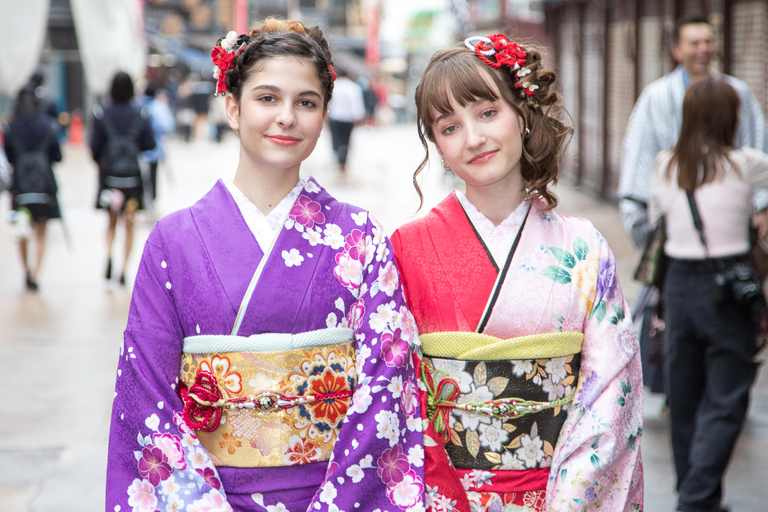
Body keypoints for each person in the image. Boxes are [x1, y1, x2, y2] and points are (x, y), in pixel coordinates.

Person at [105, 19, 424, 512]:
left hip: (334, 490)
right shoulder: (172, 242)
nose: (287, 118)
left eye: (307, 102)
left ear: (324, 115)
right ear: (232, 107)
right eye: (267, 98)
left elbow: (387, 380)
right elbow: (147, 393)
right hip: (208, 495)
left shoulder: (360, 237)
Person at [392, 34, 644, 512]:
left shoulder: (583, 246)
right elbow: (393, 392)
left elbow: (611, 391)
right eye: (448, 127)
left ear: (522, 112)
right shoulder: (405, 248)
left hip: (559, 493)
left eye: (487, 112)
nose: (473, 138)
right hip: (441, 495)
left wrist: (569, 501)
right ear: (436, 144)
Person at [619, 15, 768, 395]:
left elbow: (757, 148)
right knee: (675, 322)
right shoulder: (657, 97)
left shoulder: (737, 92)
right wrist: (647, 230)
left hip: (731, 238)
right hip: (679, 236)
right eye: (693, 42)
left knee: (727, 319)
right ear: (677, 49)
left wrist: (762, 206)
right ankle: (683, 389)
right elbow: (640, 162)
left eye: (708, 41)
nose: (702, 49)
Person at [650, 78, 767, 512]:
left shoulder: (666, 164)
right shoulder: (745, 163)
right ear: (731, 118)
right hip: (728, 286)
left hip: (679, 284)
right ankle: (696, 502)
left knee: (685, 400)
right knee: (727, 398)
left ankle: (697, 496)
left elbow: (653, 217)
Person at [90, 71, 156, 286]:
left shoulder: (101, 113)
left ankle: (109, 254)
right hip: (132, 179)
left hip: (109, 178)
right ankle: (123, 270)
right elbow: (149, 145)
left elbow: (94, 149)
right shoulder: (140, 113)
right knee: (129, 222)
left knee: (110, 221)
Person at [3, 86, 62, 291]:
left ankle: (25, 271)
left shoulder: (11, 127)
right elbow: (57, 156)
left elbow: (9, 158)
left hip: (20, 187)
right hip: (44, 186)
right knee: (41, 230)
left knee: (22, 228)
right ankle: (36, 273)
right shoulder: (48, 125)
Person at [327, 68, 365, 177]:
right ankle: (343, 162)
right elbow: (356, 104)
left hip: (335, 118)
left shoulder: (335, 86)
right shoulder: (353, 87)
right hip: (348, 119)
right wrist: (358, 116)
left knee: (335, 140)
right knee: (346, 141)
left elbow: (329, 102)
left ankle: (338, 159)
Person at [141, 83, 176, 201]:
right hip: (155, 146)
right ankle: (152, 198)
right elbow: (169, 125)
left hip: (141, 148)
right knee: (152, 174)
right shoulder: (159, 106)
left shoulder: (139, 105)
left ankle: (146, 199)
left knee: (144, 175)